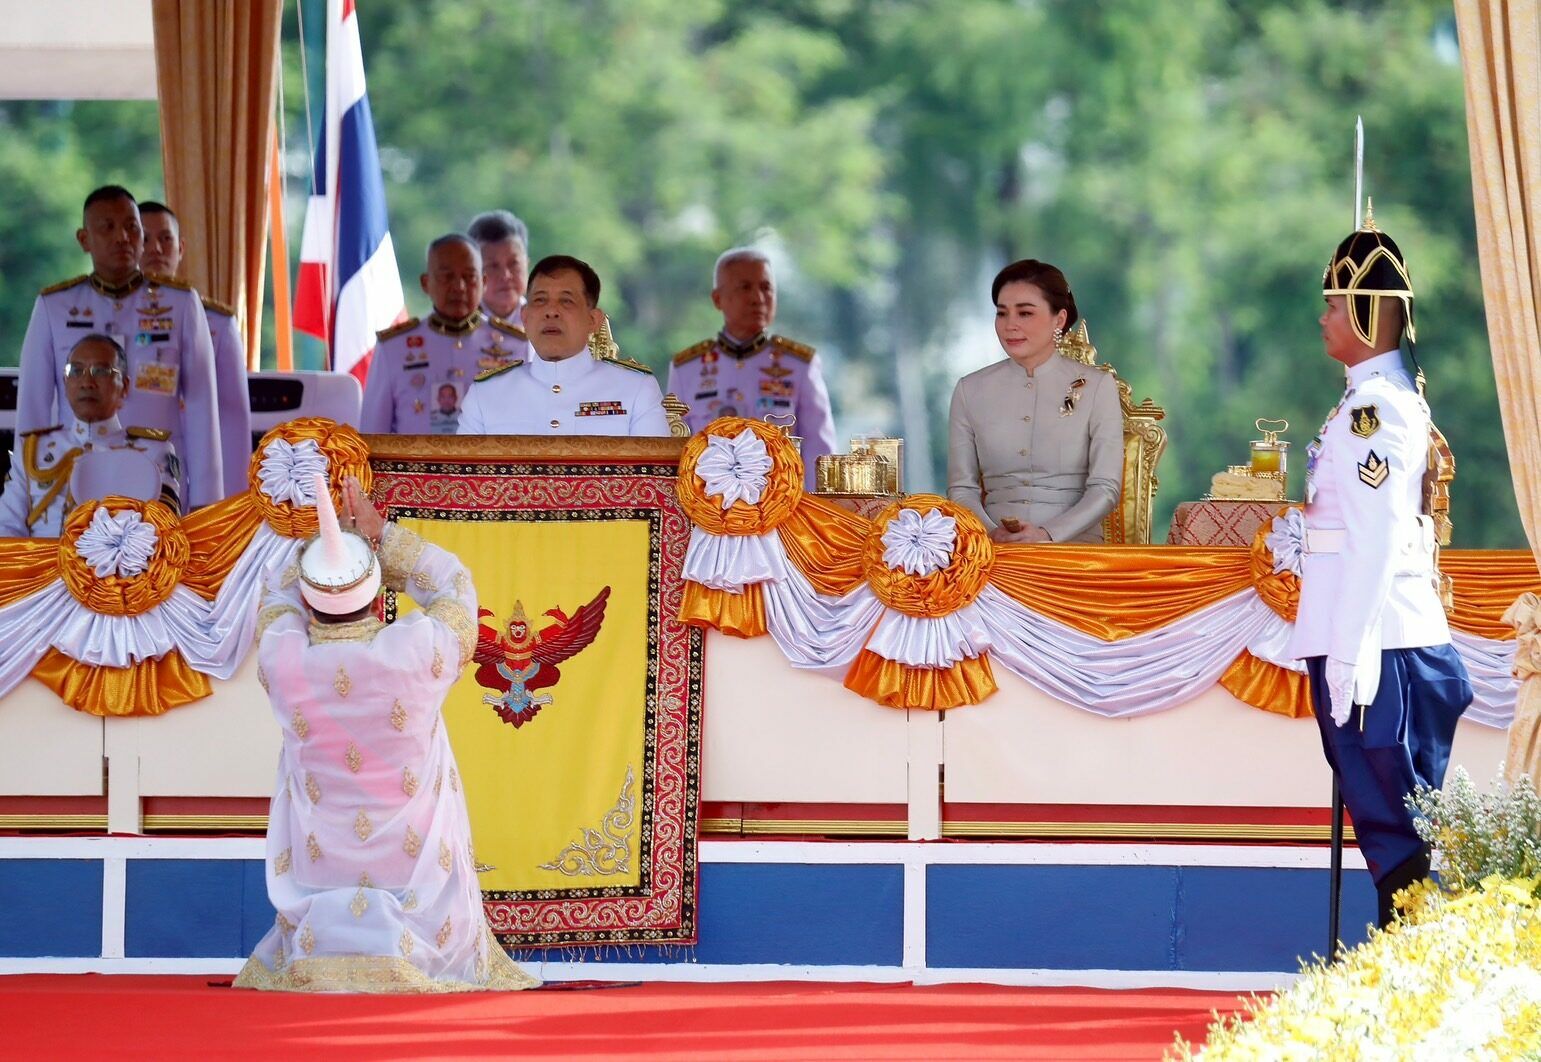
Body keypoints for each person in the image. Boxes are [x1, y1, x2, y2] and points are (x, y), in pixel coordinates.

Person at [234, 474, 538, 993]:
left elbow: (277, 595)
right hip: (411, 871)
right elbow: (454, 585)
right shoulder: (416, 651)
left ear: (308, 598)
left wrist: (324, 544)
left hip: (320, 869)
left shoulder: (282, 657)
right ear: (379, 592)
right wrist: (380, 536)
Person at [1287, 208, 1473, 928]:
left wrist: (1350, 654)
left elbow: (1376, 535)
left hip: (1379, 643)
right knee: (1385, 824)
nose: (1324, 318)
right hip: (1365, 634)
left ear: (1367, 312)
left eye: (1335, 304)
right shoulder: (1364, 402)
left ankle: (1417, 956)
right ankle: (1405, 954)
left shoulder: (1376, 409)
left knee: (1401, 827)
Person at [15, 186, 222, 507]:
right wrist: (26, 495)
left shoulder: (180, 303)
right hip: (74, 479)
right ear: (84, 239)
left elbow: (202, 408)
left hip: (159, 480)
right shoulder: (55, 306)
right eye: (108, 227)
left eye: (131, 228)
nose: (122, 237)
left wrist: (206, 503)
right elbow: (33, 407)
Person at [946, 259, 1122, 543]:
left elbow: (1105, 489)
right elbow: (961, 489)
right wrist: (991, 534)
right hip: (995, 549)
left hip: (1073, 550)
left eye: (1025, 313)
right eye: (1002, 313)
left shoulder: (1097, 386)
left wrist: (1047, 534)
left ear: (1059, 319)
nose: (1010, 325)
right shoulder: (970, 390)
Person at [667, 249, 837, 485]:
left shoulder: (799, 365)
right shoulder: (687, 369)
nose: (758, 298)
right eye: (745, 287)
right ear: (718, 299)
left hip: (783, 500)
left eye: (766, 288)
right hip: (707, 501)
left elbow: (819, 453)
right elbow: (673, 452)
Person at [459, 255, 670, 436]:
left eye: (566, 301)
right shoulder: (486, 394)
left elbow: (652, 471)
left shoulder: (636, 389)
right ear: (525, 317)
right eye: (540, 300)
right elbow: (464, 471)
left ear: (593, 320)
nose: (551, 311)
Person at [0, 334, 180, 537]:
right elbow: (7, 528)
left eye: (101, 371)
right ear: (65, 383)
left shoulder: (154, 452)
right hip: (41, 557)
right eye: (76, 371)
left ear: (124, 386)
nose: (87, 382)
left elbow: (166, 533)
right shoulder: (32, 450)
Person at [139, 200, 253, 499]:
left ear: (181, 248)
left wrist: (229, 501)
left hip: (190, 476)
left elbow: (232, 419)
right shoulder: (104, 317)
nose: (155, 249)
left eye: (165, 238)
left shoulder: (216, 322)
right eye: (144, 238)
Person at [361, 235, 529, 434]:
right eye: (447, 277)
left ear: (483, 282)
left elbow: (530, 425)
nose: (459, 287)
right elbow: (372, 434)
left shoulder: (517, 345)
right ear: (426, 283)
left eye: (469, 277)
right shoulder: (393, 347)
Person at [467, 210, 530, 328]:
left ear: (526, 264)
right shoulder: (456, 327)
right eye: (492, 266)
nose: (505, 275)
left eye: (514, 263)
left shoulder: (544, 321)